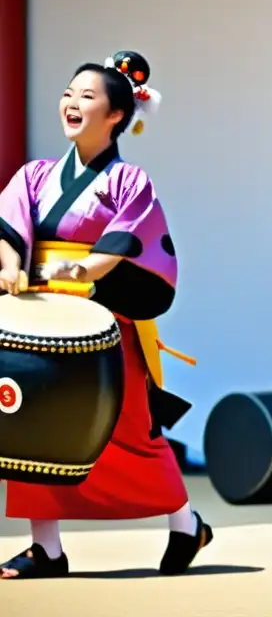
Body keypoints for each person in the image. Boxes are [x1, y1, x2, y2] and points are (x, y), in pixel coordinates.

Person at [0, 51, 211, 579]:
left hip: (104, 319)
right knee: (32, 426)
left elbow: (125, 240)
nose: (72, 104)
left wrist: (86, 269)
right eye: (69, 94)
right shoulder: (35, 176)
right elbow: (10, 229)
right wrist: (7, 266)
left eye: (87, 97)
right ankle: (46, 547)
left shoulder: (128, 180)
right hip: (42, 318)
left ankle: (187, 525)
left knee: (134, 429)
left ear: (117, 115)